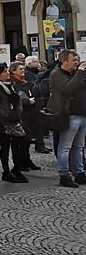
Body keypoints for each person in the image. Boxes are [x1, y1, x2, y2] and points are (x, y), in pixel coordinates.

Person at [46, 49, 86, 187]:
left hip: (82, 114)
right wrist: (80, 72)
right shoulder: (56, 74)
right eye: (73, 60)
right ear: (64, 61)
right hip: (68, 115)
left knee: (79, 147)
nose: (76, 63)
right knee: (65, 147)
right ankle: (64, 174)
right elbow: (68, 88)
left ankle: (79, 172)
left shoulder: (76, 73)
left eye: (77, 59)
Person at [0, 62, 30, 184]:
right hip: (3, 121)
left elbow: (15, 98)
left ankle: (16, 168)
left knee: (20, 143)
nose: (7, 73)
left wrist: (18, 109)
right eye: (4, 72)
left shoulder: (9, 85)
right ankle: (6, 171)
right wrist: (4, 113)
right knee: (5, 146)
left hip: (14, 119)